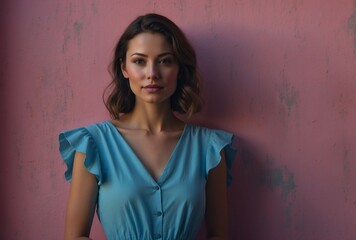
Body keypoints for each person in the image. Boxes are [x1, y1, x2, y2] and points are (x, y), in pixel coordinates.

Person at [58, 13, 236, 240]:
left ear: (179, 68)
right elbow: (74, 236)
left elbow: (219, 235)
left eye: (165, 61)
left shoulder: (210, 148)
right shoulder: (93, 144)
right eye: (139, 61)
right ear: (124, 68)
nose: (152, 74)